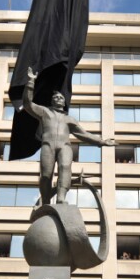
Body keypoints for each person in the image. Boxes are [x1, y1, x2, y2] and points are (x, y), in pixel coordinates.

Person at [23, 66, 116, 205]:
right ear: (52, 101)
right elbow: (27, 104)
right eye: (56, 97)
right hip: (48, 145)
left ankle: (61, 197)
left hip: (64, 146)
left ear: (64, 102)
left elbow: (83, 134)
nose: (59, 99)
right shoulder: (44, 112)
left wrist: (102, 142)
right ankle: (46, 200)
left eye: (61, 97)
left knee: (65, 168)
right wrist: (30, 82)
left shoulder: (69, 119)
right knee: (46, 175)